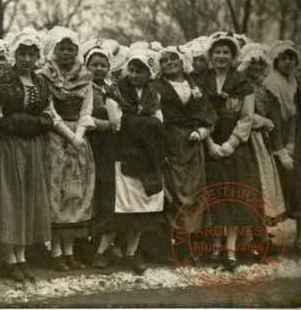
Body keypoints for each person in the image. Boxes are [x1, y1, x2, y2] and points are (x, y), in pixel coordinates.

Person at [0, 29, 54, 282]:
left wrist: (35, 123)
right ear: (13, 55)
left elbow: (50, 115)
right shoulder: (3, 81)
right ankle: (9, 258)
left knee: (29, 197)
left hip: (34, 146)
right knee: (12, 197)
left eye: (31, 54)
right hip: (10, 145)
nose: (27, 59)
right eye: (22, 54)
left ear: (37, 56)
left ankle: (22, 256)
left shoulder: (40, 82)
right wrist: (25, 122)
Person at [199, 33, 261, 271]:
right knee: (215, 197)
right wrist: (211, 145)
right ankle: (215, 246)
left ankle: (231, 250)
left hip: (236, 150)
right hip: (209, 145)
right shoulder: (202, 82)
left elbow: (246, 119)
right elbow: (199, 114)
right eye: (218, 52)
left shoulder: (244, 84)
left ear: (233, 56)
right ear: (211, 56)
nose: (221, 56)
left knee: (234, 197)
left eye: (226, 52)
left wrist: (229, 145)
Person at [37, 27, 95, 271]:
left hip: (78, 141)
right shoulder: (44, 77)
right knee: (56, 191)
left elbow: (86, 111)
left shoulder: (85, 78)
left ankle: (70, 251)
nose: (66, 53)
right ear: (53, 50)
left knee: (75, 192)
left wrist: (79, 138)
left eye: (71, 49)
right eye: (62, 48)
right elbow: (49, 111)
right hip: (54, 137)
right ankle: (56, 252)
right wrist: (70, 137)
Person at [152, 46, 217, 261]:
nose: (169, 63)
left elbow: (209, 115)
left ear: (183, 62)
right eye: (165, 60)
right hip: (169, 141)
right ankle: (174, 245)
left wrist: (201, 131)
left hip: (193, 143)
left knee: (195, 191)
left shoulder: (195, 85)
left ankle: (191, 243)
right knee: (174, 192)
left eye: (173, 59)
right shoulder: (156, 86)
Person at [105, 49, 166, 275]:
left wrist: (143, 124)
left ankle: (132, 252)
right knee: (123, 204)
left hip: (148, 155)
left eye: (139, 70)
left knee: (142, 205)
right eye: (131, 69)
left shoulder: (154, 95)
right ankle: (108, 251)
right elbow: (117, 122)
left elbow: (160, 124)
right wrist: (145, 124)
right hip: (125, 152)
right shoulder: (115, 91)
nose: (133, 74)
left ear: (148, 73)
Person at [238, 44, 287, 224]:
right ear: (246, 65)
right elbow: (241, 114)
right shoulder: (242, 86)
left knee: (264, 180)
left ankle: (262, 232)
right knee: (254, 181)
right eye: (253, 64)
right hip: (248, 138)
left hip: (261, 140)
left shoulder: (263, 89)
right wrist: (263, 121)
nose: (257, 68)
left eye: (261, 64)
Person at [82, 45, 119, 269]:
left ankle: (101, 248)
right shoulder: (83, 87)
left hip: (109, 149)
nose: (98, 68)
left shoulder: (112, 88)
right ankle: (83, 245)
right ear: (86, 66)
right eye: (93, 64)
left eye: (103, 65)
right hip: (88, 144)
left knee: (107, 194)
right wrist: (107, 124)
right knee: (89, 194)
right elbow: (83, 117)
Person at [264, 40, 297, 212]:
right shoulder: (271, 83)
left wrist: (291, 143)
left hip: (289, 138)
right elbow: (275, 119)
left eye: (291, 58)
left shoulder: (293, 83)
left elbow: (293, 115)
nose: (287, 62)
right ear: (276, 62)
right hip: (273, 138)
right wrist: (282, 149)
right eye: (282, 58)